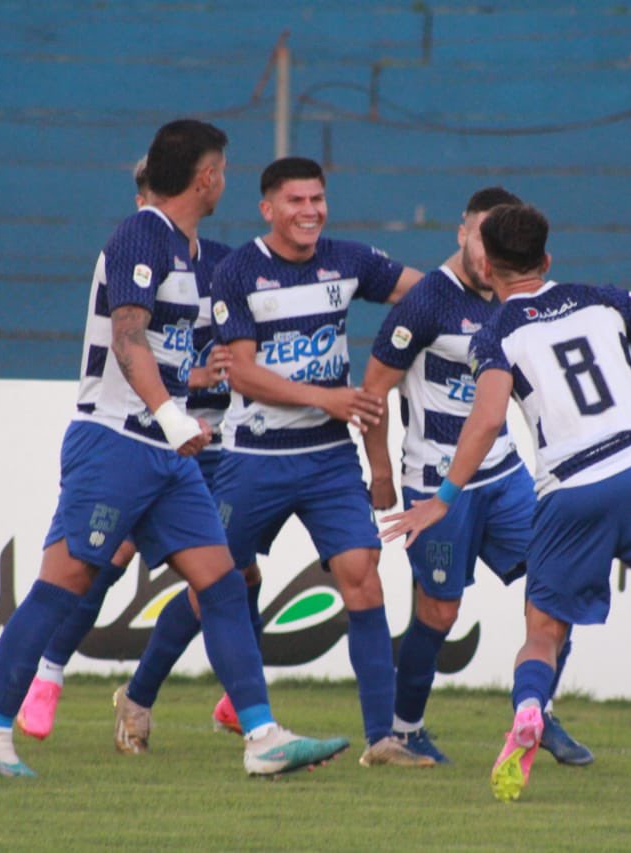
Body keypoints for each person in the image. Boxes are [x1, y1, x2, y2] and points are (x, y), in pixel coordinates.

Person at [0, 119, 349, 778]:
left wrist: (181, 410)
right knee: (64, 585)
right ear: (206, 177)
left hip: (166, 453)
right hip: (115, 441)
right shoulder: (142, 233)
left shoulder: (195, 252)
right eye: (222, 170)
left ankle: (261, 737)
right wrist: (174, 418)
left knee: (221, 583)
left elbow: (168, 349)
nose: (223, 179)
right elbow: (128, 338)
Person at [381, 203, 631, 805]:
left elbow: (485, 421)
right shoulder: (600, 298)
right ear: (548, 259)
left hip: (571, 486)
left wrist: (443, 498)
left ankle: (531, 708)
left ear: (487, 263)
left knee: (543, 631)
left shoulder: (497, 332)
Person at [14, 156, 249, 752]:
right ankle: (46, 674)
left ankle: (211, 705)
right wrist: (188, 388)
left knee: (231, 576)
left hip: (212, 442)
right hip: (140, 435)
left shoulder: (215, 260)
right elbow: (134, 349)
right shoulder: (136, 247)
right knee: (98, 561)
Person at [209, 156, 434, 767]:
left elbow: (432, 293)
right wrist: (327, 397)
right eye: (295, 202)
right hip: (253, 458)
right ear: (267, 209)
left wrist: (488, 278)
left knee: (362, 573)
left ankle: (381, 740)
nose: (309, 211)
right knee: (216, 580)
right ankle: (143, 696)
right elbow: (246, 374)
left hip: (329, 459)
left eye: (317, 199)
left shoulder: (348, 260)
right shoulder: (238, 272)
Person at [361, 187, 592, 766]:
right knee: (439, 613)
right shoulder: (425, 301)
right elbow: (373, 392)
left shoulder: (516, 299)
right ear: (462, 232)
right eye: (480, 234)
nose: (486, 251)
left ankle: (537, 710)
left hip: (505, 474)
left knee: (554, 587)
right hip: (435, 480)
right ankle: (405, 731)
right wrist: (382, 471)